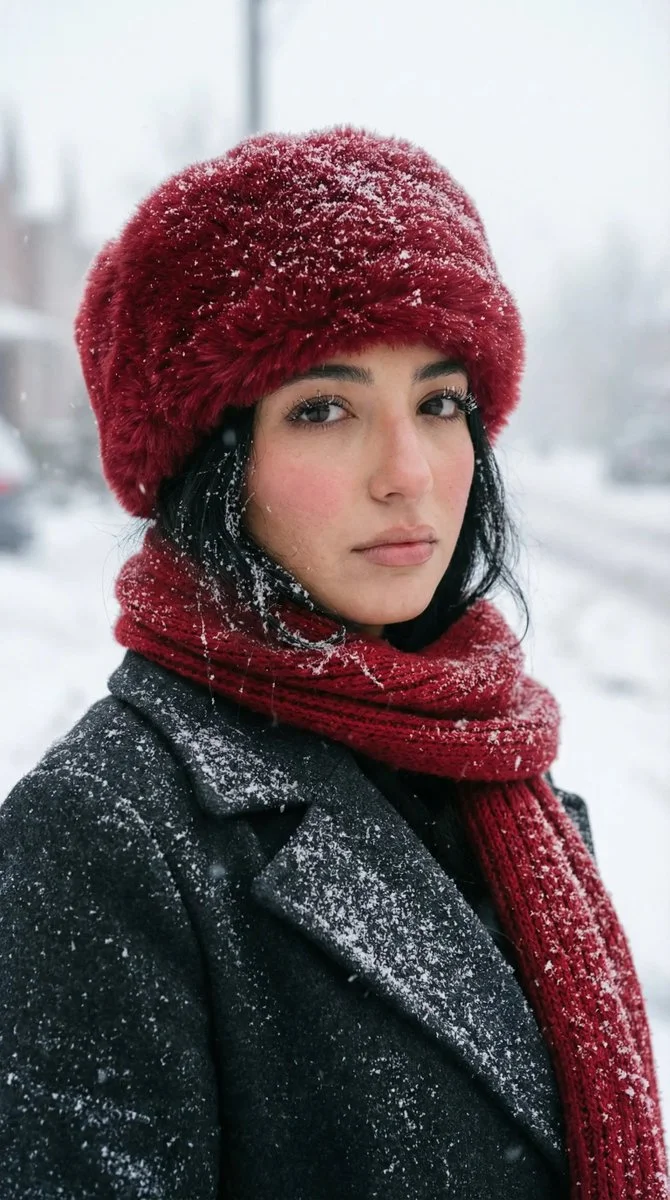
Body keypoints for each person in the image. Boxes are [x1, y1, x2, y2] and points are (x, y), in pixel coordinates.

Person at [0, 126, 666, 1200]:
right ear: (214, 459)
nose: (409, 474)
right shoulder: (101, 835)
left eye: (439, 403)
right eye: (323, 409)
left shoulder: (494, 779)